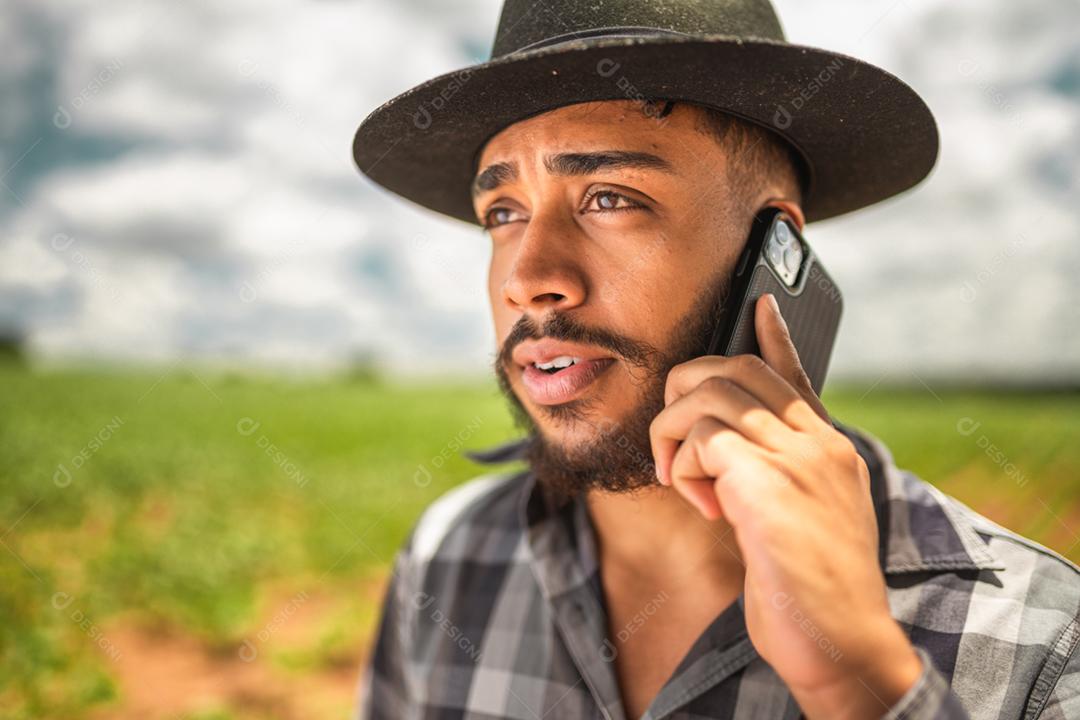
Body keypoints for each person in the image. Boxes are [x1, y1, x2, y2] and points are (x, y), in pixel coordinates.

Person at [350, 1, 1080, 718]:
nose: (525, 278)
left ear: (773, 250)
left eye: (608, 198)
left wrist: (863, 688)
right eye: (503, 214)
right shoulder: (447, 561)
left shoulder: (1040, 643)